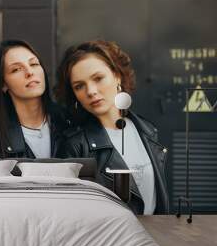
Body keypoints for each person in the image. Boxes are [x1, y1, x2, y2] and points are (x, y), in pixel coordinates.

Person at [56, 40, 169, 215]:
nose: (91, 91)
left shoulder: (147, 130)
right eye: (79, 86)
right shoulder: (75, 146)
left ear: (117, 76)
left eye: (98, 78)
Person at [0, 39, 70, 158]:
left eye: (34, 64)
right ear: (3, 84)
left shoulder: (69, 122)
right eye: (16, 69)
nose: (30, 72)